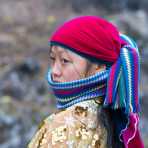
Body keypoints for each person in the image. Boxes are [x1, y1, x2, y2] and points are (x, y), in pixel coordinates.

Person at [28, 16, 144, 148]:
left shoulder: (65, 125)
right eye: (53, 58)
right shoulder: (113, 120)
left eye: (64, 60)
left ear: (99, 65)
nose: (54, 71)